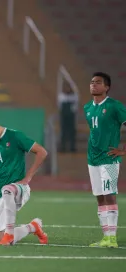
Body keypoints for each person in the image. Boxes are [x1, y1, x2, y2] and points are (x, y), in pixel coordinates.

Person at [0, 117, 48, 246]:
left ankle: (9, 234)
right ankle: (33, 227)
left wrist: (28, 178)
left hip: (19, 189)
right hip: (0, 196)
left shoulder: (15, 136)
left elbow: (42, 152)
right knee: (1, 238)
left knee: (7, 189)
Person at [85, 72, 126, 248]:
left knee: (110, 195)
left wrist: (124, 150)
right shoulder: (87, 107)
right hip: (92, 159)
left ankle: (112, 238)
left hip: (109, 159)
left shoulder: (115, 106)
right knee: (100, 197)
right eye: (92, 82)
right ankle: (105, 236)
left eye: (98, 82)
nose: (93, 85)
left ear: (107, 87)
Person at [58, 84, 78, 152]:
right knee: (63, 132)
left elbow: (75, 106)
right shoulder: (61, 96)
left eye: (69, 88)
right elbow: (60, 106)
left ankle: (72, 147)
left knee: (72, 132)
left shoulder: (74, 96)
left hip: (71, 116)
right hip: (64, 116)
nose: (67, 90)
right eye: (66, 88)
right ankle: (63, 147)